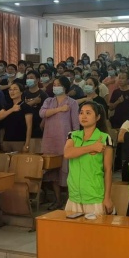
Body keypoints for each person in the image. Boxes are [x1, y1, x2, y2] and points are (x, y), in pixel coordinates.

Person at [62, 102, 114, 215]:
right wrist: (92, 147)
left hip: (95, 196)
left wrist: (107, 198)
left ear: (98, 117)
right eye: (81, 113)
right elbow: (67, 153)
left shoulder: (105, 138)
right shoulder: (73, 135)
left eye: (88, 113)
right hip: (74, 195)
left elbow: (108, 170)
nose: (83, 116)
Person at [40, 76, 80, 209]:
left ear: (65, 87)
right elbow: (42, 113)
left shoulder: (72, 103)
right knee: (53, 173)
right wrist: (59, 109)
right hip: (49, 141)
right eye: (54, 84)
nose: (55, 87)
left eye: (58, 84)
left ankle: (70, 200)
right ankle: (57, 200)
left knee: (68, 171)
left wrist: (75, 142)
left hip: (65, 142)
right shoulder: (49, 101)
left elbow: (75, 125)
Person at [0, 82, 33, 153]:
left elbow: (29, 127)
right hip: (6, 140)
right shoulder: (8, 106)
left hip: (20, 141)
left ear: (21, 92)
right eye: (10, 89)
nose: (12, 91)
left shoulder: (26, 107)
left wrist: (27, 144)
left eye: (15, 89)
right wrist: (12, 109)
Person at [23, 71, 47, 153]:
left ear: (37, 80)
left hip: (37, 128)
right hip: (24, 127)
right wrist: (33, 102)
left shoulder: (43, 94)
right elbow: (20, 108)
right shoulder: (24, 93)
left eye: (31, 78)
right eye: (27, 78)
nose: (29, 80)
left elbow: (45, 112)